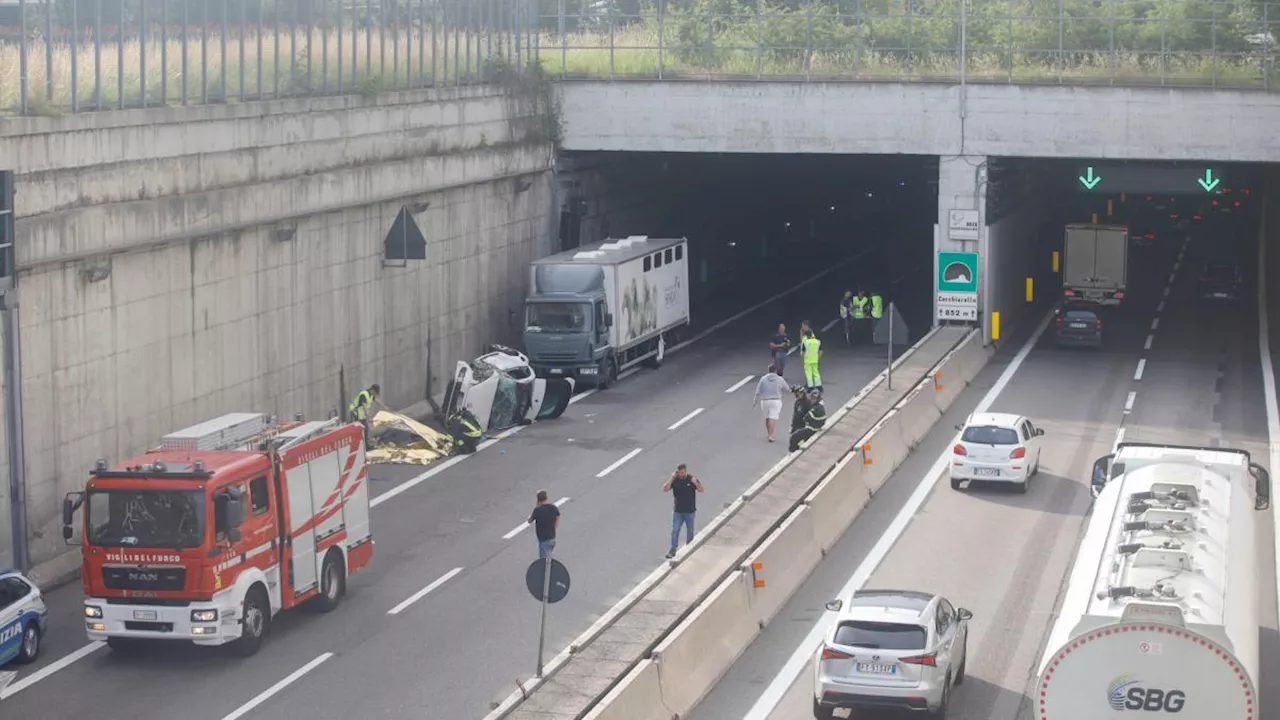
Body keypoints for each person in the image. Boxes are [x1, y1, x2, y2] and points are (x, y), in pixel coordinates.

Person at [663, 464, 704, 559]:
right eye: (679, 472)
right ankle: (673, 550)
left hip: (689, 511)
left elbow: (701, 490)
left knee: (690, 531)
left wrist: (696, 483)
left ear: (685, 471)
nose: (681, 474)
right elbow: (665, 489)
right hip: (678, 511)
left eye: (682, 472)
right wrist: (672, 478)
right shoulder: (675, 480)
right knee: (675, 530)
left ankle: (689, 548)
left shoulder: (692, 479)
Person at [753, 365, 790, 442]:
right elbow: (787, 388)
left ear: (768, 370)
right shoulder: (780, 379)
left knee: (767, 417)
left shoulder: (763, 379)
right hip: (776, 401)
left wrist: (755, 401)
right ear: (776, 370)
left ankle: (769, 434)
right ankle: (771, 435)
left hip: (765, 401)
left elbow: (758, 390)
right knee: (772, 417)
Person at [528, 490, 560, 559]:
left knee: (544, 561)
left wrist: (537, 505)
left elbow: (530, 520)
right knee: (548, 557)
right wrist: (554, 527)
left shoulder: (537, 510)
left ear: (538, 500)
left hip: (543, 540)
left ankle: (549, 569)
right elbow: (557, 516)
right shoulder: (553, 507)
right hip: (552, 538)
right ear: (546, 498)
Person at [348, 383, 382, 449]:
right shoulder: (364, 394)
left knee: (365, 429)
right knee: (362, 429)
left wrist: (385, 407)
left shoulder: (371, 395)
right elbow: (364, 407)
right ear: (372, 390)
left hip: (361, 414)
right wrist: (369, 417)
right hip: (356, 412)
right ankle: (363, 446)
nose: (375, 394)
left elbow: (377, 401)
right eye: (375, 392)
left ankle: (365, 446)